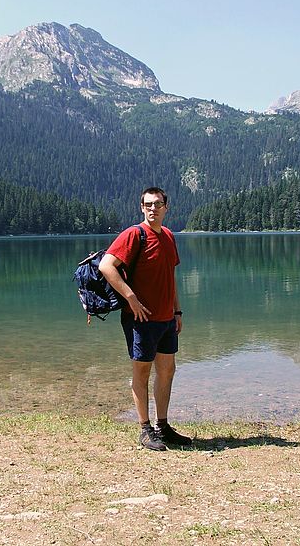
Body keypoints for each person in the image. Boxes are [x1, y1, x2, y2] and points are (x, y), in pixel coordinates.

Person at [99, 187, 192, 451]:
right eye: (148, 204)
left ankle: (163, 427)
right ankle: (144, 429)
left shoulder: (169, 236)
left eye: (158, 204)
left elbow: (169, 277)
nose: (153, 209)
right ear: (142, 207)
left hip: (166, 319)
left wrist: (177, 311)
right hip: (140, 319)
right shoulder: (134, 234)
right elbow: (106, 266)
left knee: (167, 371)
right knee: (142, 372)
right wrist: (131, 298)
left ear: (166, 207)